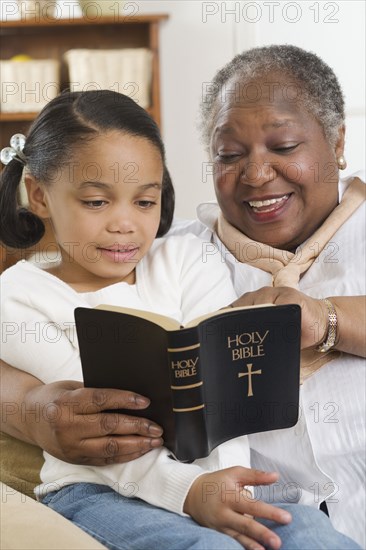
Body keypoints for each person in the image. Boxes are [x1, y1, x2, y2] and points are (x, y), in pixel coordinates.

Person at [2, 88, 359, 550]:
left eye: (144, 202)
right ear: (39, 195)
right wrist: (188, 493)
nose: (124, 224)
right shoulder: (20, 296)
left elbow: (226, 394)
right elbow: (101, 427)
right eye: (96, 202)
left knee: (314, 533)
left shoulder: (188, 258)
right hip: (98, 491)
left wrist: (232, 489)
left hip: (213, 485)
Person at [170, 43, 366, 547]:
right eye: (229, 155)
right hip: (264, 532)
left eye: (282, 147)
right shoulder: (173, 259)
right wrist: (40, 411)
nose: (255, 175)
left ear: (338, 141)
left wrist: (326, 320)